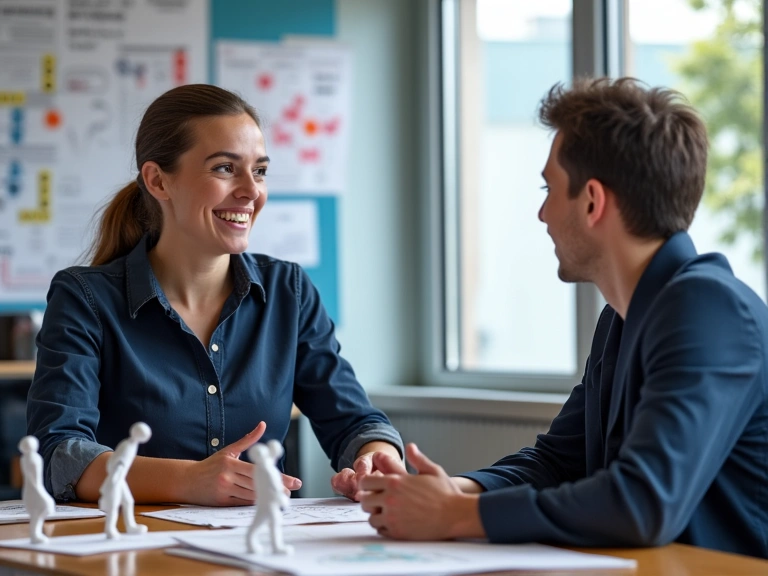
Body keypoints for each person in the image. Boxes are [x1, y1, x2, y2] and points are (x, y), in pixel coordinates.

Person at [360, 77, 768, 559]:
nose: (541, 213)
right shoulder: (624, 316)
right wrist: (447, 491)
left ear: (593, 201)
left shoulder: (709, 310)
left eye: (548, 188)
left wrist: (454, 516)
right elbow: (557, 463)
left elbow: (642, 503)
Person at [26, 83, 404, 506]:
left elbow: (353, 420)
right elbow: (59, 452)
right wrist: (187, 481)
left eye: (259, 170)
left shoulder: (288, 291)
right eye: (225, 168)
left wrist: (376, 456)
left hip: (257, 551)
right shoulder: (85, 298)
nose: (250, 190)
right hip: (133, 552)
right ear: (158, 181)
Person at [99, 422, 151, 539]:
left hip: (119, 479)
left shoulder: (130, 444)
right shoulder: (128, 447)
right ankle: (110, 528)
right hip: (116, 479)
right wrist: (113, 482)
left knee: (128, 501)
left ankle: (130, 526)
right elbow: (118, 465)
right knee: (114, 504)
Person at [246, 440, 292, 555]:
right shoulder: (266, 468)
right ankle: (276, 546)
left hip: (266, 501)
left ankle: (252, 541)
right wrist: (281, 499)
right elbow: (273, 486)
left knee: (260, 523)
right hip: (269, 502)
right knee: (273, 521)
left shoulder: (266, 466)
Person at [18, 435, 55, 544]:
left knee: (37, 513)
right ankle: (35, 534)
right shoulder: (30, 459)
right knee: (41, 509)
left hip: (31, 491)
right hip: (34, 490)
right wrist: (41, 493)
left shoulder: (26, 458)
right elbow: (32, 479)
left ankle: (35, 534)